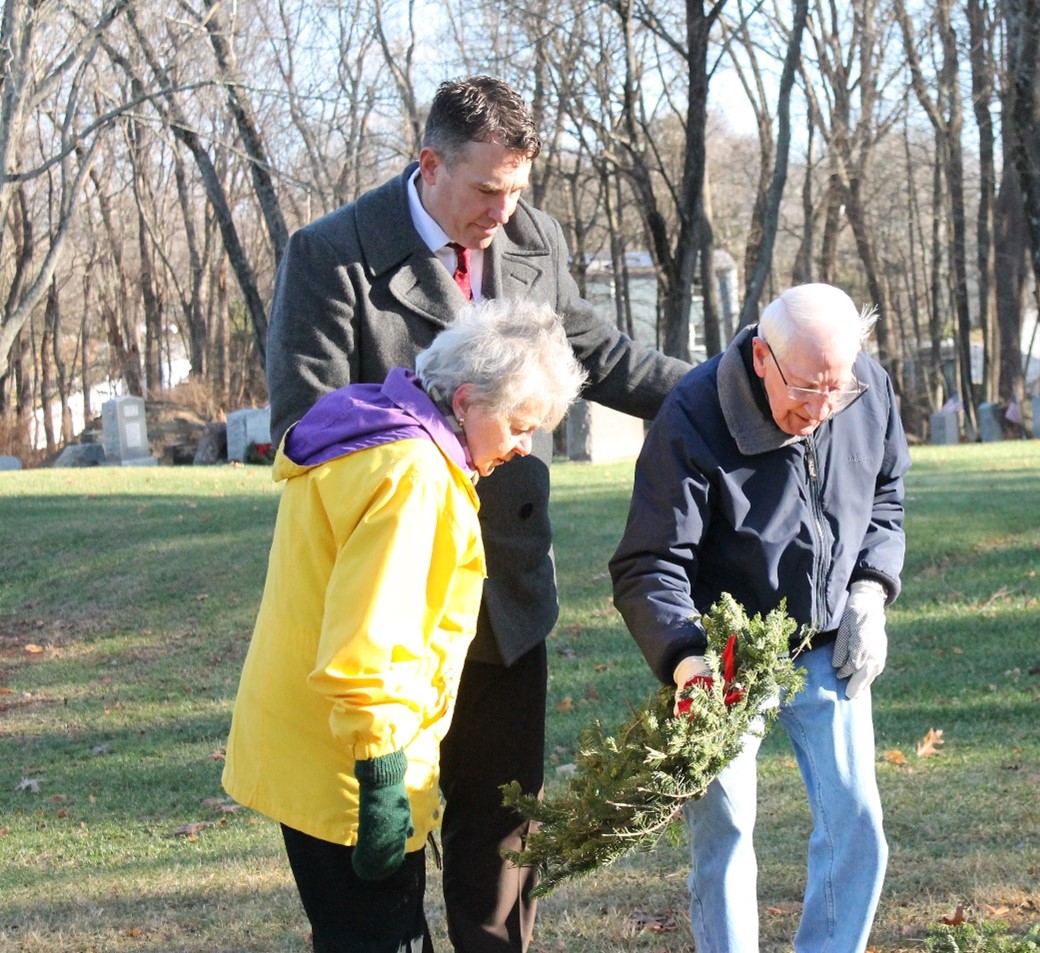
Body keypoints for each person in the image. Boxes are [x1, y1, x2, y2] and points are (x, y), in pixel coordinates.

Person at [263, 75, 689, 950]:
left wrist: (716, 391)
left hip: (508, 592)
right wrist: (435, 435)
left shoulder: (533, 236)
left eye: (519, 189)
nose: (505, 210)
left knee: (500, 835)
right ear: (430, 164)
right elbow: (302, 427)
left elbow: (597, 353)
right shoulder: (331, 254)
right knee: (383, 839)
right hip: (393, 600)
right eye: (488, 188)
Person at [224, 298, 586, 953]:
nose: (524, 445)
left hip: (305, 739)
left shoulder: (367, 427)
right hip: (352, 768)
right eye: (520, 424)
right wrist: (384, 782)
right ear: (470, 400)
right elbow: (372, 638)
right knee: (381, 936)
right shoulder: (415, 476)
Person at [609, 282, 911, 953]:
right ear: (761, 357)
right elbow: (647, 563)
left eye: (837, 388)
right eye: (805, 389)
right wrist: (689, 660)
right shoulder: (691, 415)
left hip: (830, 637)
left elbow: (886, 494)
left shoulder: (865, 386)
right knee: (727, 825)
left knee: (856, 818)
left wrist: (869, 589)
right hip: (725, 655)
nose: (822, 407)